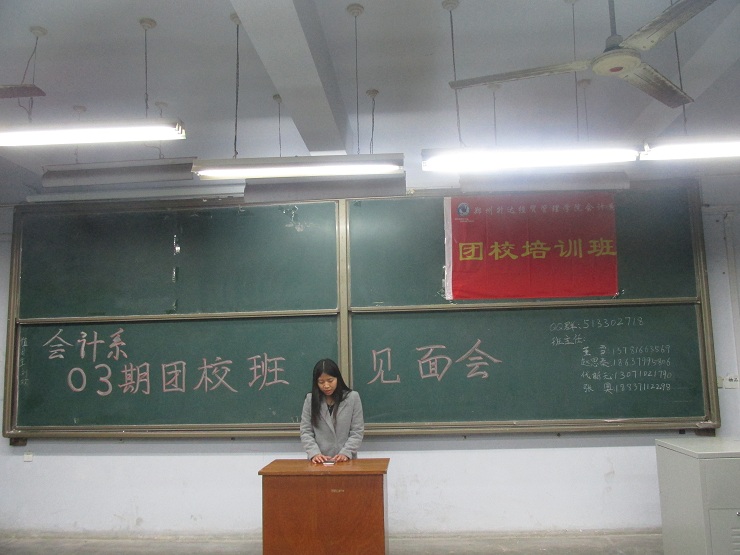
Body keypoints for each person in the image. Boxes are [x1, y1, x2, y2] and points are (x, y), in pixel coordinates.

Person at [300, 358, 364, 463]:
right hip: (319, 461)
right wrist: (314, 453)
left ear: (337, 378)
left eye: (330, 380)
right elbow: (306, 431)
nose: (326, 386)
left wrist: (346, 452)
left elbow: (357, 431)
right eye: (321, 382)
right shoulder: (310, 400)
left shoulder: (352, 398)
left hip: (346, 460)